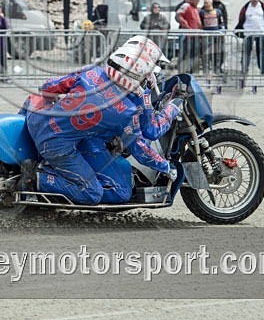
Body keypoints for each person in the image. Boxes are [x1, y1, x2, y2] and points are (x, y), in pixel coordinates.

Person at [19, 38, 180, 204]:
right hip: (55, 145)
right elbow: (140, 150)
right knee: (92, 193)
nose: (149, 78)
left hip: (36, 116)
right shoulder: (126, 112)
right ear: (132, 74)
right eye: (145, 74)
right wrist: (165, 166)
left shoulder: (91, 72)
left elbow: (47, 87)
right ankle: (37, 178)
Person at [235, 0, 264, 75]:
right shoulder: (246, 7)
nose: (255, 0)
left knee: (261, 52)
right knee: (246, 52)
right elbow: (241, 18)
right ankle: (244, 69)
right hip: (248, 33)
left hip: (261, 32)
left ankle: (263, 70)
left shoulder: (263, 6)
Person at [176, 0, 203, 71]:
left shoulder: (195, 8)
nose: (198, 1)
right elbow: (178, 16)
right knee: (185, 54)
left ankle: (192, 70)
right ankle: (182, 70)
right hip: (188, 35)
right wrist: (185, 25)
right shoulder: (186, 6)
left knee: (194, 54)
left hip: (196, 35)